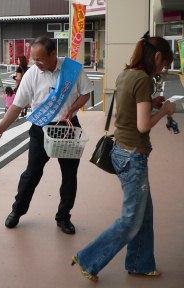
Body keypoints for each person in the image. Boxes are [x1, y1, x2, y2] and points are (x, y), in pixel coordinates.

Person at [72, 34, 176, 282]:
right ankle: (88, 259)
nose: (162, 69)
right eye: (163, 64)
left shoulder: (125, 74)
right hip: (133, 157)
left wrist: (151, 102)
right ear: (157, 57)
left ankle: (140, 262)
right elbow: (142, 126)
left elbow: (128, 109)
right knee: (131, 220)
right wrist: (164, 110)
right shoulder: (143, 79)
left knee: (144, 213)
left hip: (120, 151)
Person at [0, 36, 93, 234]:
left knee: (69, 176)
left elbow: (86, 93)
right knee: (32, 174)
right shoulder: (31, 75)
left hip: (67, 128)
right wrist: (0, 128)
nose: (37, 63)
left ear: (53, 54)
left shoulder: (73, 69)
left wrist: (72, 109)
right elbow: (17, 107)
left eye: (41, 59)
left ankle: (64, 217)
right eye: (34, 59)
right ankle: (17, 211)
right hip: (40, 130)